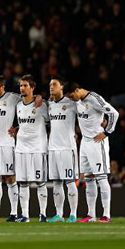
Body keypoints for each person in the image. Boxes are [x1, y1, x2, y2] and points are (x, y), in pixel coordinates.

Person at [0, 75, 41, 222]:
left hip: (6, 144)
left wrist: (38, 96)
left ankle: (13, 213)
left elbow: (29, 98)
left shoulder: (13, 98)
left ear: (2, 87)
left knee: (10, 178)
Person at [64, 82, 119, 223]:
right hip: (85, 142)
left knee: (101, 177)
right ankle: (91, 214)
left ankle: (106, 214)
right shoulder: (78, 100)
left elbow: (113, 112)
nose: (71, 99)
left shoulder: (94, 98)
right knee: (88, 179)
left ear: (77, 90)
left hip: (97, 142)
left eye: (72, 96)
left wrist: (107, 132)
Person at [13, 75, 49, 223]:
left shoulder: (42, 105)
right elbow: (22, 124)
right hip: (21, 148)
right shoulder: (18, 106)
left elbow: (52, 121)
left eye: (25, 85)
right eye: (21, 85)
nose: (22, 88)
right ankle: (25, 215)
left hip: (38, 148)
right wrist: (15, 129)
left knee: (40, 182)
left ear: (32, 88)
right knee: (23, 182)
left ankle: (43, 214)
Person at [47, 76, 79, 223]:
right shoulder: (50, 104)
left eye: (54, 84)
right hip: (52, 148)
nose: (51, 87)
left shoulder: (72, 103)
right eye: (50, 85)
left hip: (67, 148)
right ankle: (59, 214)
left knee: (70, 182)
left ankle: (73, 214)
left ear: (62, 87)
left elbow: (86, 114)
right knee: (57, 183)